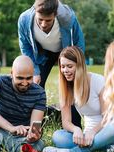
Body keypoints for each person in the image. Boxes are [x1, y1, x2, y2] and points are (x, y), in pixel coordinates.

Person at [42, 46, 114, 152]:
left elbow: (108, 117)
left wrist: (93, 132)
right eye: (62, 67)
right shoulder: (66, 87)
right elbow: (66, 122)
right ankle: (108, 149)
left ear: (80, 66)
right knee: (58, 136)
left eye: (69, 66)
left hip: (108, 131)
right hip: (87, 136)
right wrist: (76, 129)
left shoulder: (98, 81)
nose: (65, 71)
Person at [18, 0, 84, 128]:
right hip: (42, 54)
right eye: (40, 19)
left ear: (55, 14)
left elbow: (78, 41)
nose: (43, 24)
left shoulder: (67, 18)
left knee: (70, 86)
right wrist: (35, 71)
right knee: (35, 87)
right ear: (35, 12)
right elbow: (25, 47)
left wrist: (77, 65)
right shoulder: (24, 19)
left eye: (48, 21)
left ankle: (75, 127)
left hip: (64, 51)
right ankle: (32, 128)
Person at [0, 55, 48, 152]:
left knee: (39, 144)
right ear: (11, 74)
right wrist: (11, 128)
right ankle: (22, 151)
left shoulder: (39, 93)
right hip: (0, 127)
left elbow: (35, 125)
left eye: (29, 78)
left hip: (20, 135)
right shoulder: (0, 81)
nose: (25, 83)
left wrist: (33, 135)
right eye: (20, 78)